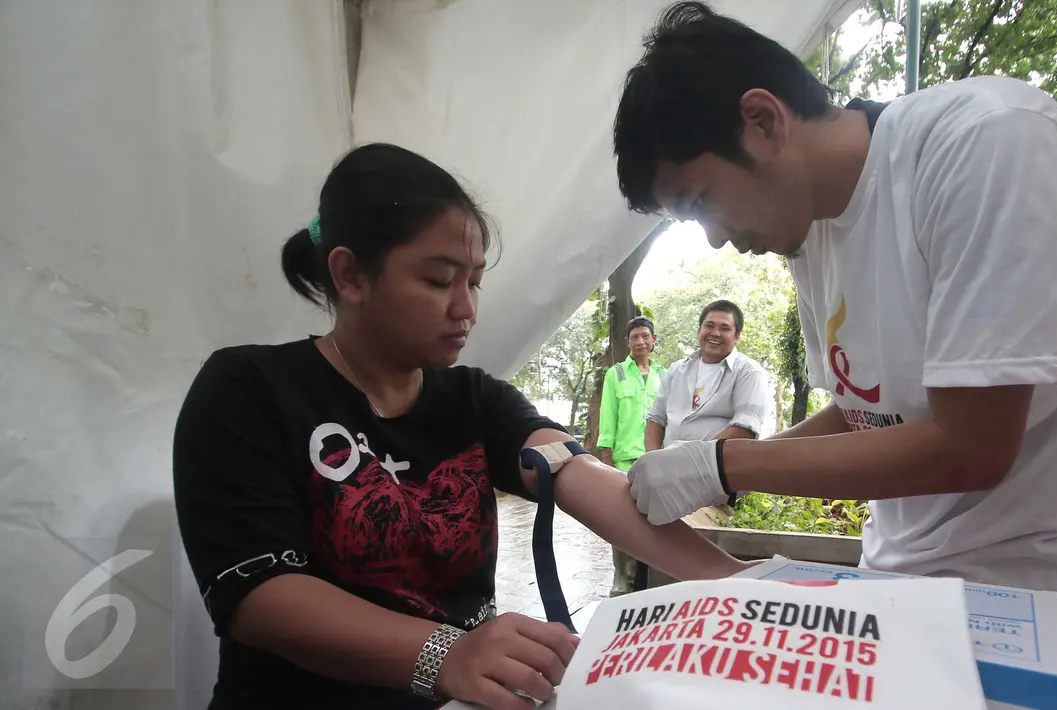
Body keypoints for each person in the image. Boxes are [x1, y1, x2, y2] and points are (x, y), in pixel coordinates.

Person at [609, 2, 1057, 612]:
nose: (717, 238)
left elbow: (972, 448)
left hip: (1052, 583)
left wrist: (723, 466)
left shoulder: (985, 143)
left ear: (763, 121)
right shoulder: (808, 229)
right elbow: (863, 412)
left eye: (702, 201)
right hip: (900, 575)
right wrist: (709, 466)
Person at [173, 143, 749, 710]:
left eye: (472, 281)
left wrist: (742, 586)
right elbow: (260, 599)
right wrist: (445, 653)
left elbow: (572, 472)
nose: (466, 309)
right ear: (349, 274)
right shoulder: (247, 390)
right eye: (437, 280)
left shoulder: (474, 399)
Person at [596, 316, 666, 596]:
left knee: (656, 524)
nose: (640, 341)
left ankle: (648, 584)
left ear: (653, 340)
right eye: (634, 337)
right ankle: (622, 582)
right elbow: (608, 420)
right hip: (625, 463)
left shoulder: (665, 374)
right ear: (628, 342)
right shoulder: (616, 374)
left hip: (658, 461)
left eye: (645, 336)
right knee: (624, 523)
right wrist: (607, 465)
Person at [645, 300, 772, 451]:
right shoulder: (676, 371)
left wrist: (694, 459)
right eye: (709, 326)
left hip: (718, 470)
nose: (715, 333)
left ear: (736, 336)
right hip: (670, 469)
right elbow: (655, 419)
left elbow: (745, 428)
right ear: (700, 330)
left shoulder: (748, 373)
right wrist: (653, 460)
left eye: (725, 328)